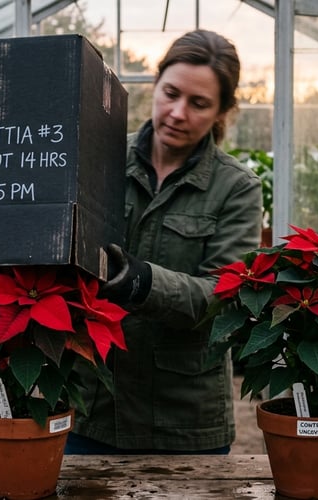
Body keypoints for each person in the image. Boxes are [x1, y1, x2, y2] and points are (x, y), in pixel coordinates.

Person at [66, 29, 263, 454]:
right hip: (94, 408)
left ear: (223, 112)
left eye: (199, 104)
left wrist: (139, 281)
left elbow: (222, 295)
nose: (177, 112)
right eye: (170, 93)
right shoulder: (99, 160)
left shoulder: (236, 188)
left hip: (186, 420)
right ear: (155, 85)